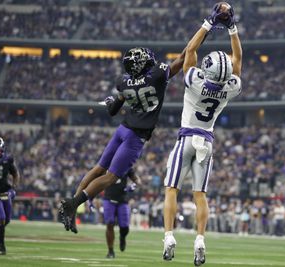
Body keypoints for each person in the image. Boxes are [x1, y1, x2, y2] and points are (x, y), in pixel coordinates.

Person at [59, 46, 186, 233]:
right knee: (110, 177)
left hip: (122, 130)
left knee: (98, 169)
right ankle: (74, 203)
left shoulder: (123, 82)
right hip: (135, 136)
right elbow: (182, 59)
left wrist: (113, 101)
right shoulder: (156, 75)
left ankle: (72, 205)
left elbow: (112, 110)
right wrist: (205, 29)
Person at [162, 3, 242, 266]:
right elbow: (238, 59)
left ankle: (169, 236)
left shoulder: (195, 79)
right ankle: (200, 240)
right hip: (206, 142)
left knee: (172, 189)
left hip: (186, 137)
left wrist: (210, 23)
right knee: (200, 195)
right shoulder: (230, 87)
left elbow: (191, 50)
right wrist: (231, 27)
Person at [102, 169, 140, 258]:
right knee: (109, 224)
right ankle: (110, 251)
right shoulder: (106, 164)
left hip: (122, 200)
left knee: (125, 227)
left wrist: (134, 185)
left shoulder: (127, 165)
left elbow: (137, 179)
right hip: (108, 198)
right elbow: (96, 177)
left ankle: (122, 237)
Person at [0, 137, 20, 255]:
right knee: (2, 219)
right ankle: (2, 247)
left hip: (4, 192)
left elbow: (15, 173)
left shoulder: (8, 159)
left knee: (7, 219)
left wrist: (14, 186)